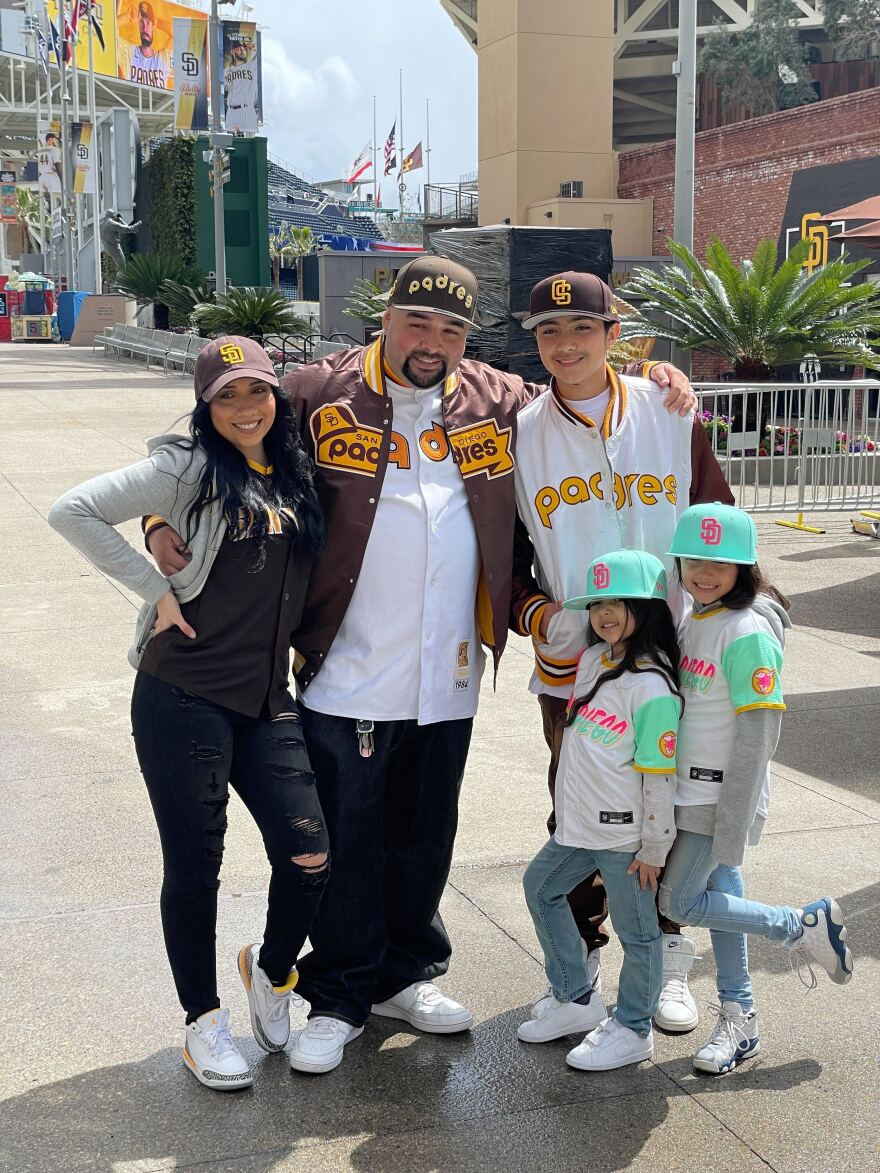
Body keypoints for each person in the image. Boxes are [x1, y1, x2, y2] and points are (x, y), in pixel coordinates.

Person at [146, 256, 697, 1076]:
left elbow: (577, 390)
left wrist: (653, 375)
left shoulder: (494, 397)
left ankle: (405, 974)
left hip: (449, 668)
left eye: (451, 330)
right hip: (348, 666)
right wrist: (160, 514)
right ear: (387, 320)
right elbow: (203, 435)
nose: (432, 343)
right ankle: (336, 995)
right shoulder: (317, 389)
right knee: (352, 837)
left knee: (425, 834)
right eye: (418, 323)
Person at [49, 337, 328, 1091]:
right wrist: (153, 585)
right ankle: (202, 1021)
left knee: (309, 853)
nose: (245, 408)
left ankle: (271, 972)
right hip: (184, 696)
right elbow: (71, 508)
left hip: (268, 698)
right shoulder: (189, 469)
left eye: (257, 393)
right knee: (196, 863)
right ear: (206, 406)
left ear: (277, 397)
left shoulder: (296, 472)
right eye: (227, 396)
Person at [511, 271, 734, 1034]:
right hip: (576, 661)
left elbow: (716, 520)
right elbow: (502, 545)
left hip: (672, 652)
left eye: (582, 330)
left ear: (615, 335)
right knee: (579, 811)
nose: (565, 345)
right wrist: (534, 612)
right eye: (547, 332)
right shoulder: (523, 428)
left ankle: (668, 954)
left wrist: (731, 618)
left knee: (668, 806)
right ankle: (582, 957)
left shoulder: (668, 411)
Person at [660, 503, 854, 1075]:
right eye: (695, 558)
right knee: (723, 907)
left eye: (721, 563)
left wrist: (734, 817)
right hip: (689, 791)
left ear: (744, 568)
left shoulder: (745, 630)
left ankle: (801, 924)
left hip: (716, 798)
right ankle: (739, 1017)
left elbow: (759, 731)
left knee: (679, 901)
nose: (705, 571)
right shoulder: (698, 618)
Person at [521, 549, 683, 1071]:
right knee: (540, 887)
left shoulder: (654, 686)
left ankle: (634, 1028)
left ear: (649, 607)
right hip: (578, 826)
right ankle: (575, 997)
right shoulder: (594, 660)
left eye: (618, 602)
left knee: (639, 936)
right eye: (596, 605)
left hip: (625, 838)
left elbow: (659, 776)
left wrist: (655, 847)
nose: (604, 614)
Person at [124, 1, 171, 89]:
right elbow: (109, 32)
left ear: (154, 26)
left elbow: (177, 32)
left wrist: (158, 22)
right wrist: (127, 17)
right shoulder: (129, 51)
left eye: (148, 23)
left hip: (158, 103)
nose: (145, 28)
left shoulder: (162, 58)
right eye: (142, 22)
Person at [224, 37, 259, 135]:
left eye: (243, 48)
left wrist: (252, 48)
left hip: (246, 109)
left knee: (245, 141)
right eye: (239, 48)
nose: (242, 50)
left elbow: (259, 56)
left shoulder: (252, 66)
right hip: (231, 110)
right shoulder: (226, 71)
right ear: (233, 51)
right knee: (229, 143)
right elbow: (225, 89)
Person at [37, 131, 62, 205]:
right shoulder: (54, 149)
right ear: (50, 139)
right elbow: (58, 166)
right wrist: (62, 180)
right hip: (51, 176)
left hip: (42, 177)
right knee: (59, 199)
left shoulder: (40, 150)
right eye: (56, 139)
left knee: (50, 200)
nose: (57, 141)